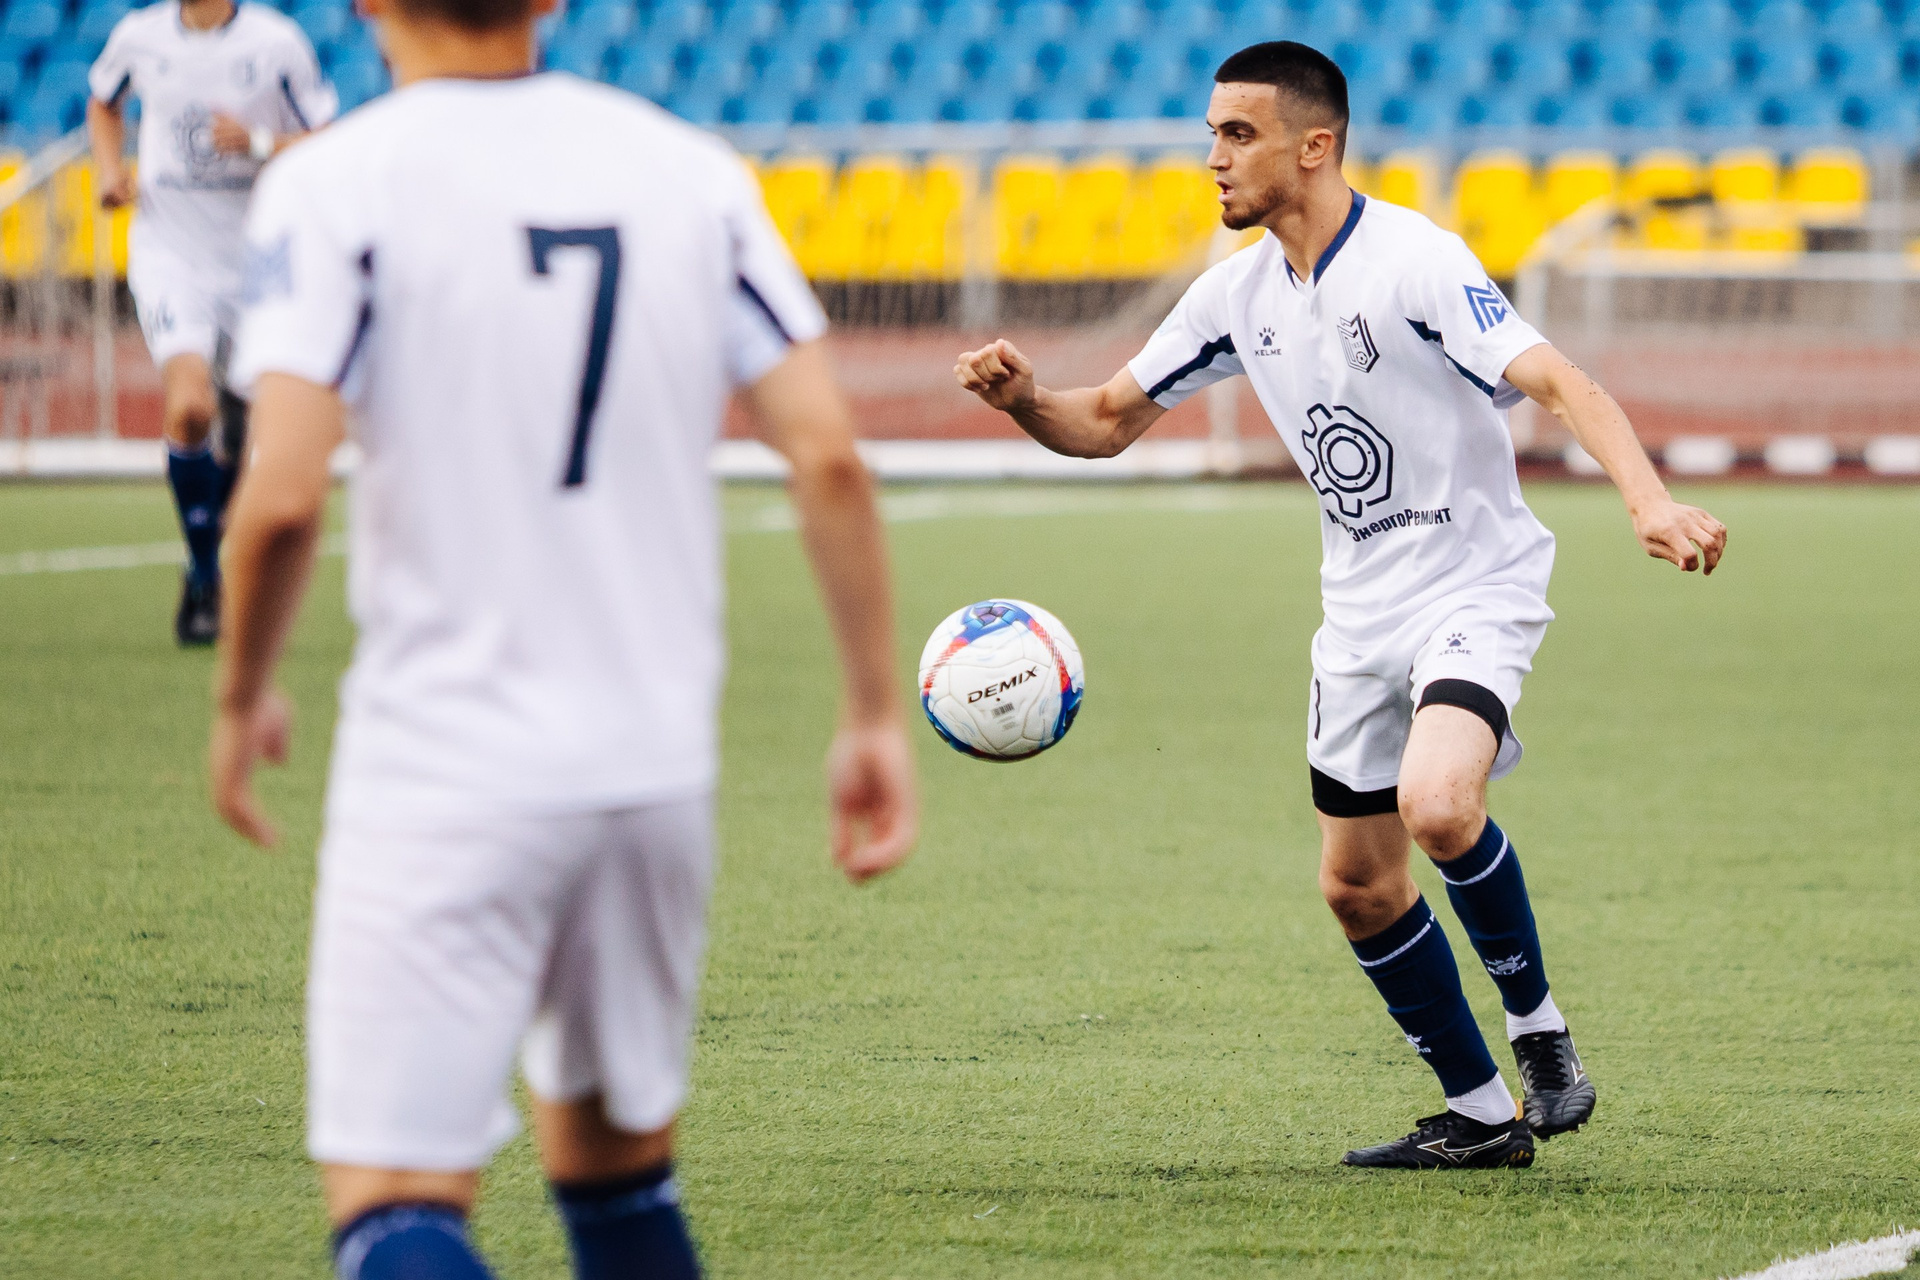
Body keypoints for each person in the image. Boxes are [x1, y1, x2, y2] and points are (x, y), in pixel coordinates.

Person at [206, 0, 919, 1269]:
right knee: (618, 1176)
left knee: (396, 1199)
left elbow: (280, 499)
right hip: (650, 771)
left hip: (446, 763)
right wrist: (871, 711)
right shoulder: (687, 171)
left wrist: (239, 692)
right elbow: (828, 457)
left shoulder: (332, 183)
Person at [956, 41, 1727, 1170]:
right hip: (1359, 617)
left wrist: (1649, 500)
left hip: (1473, 584)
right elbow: (1106, 420)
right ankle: (1480, 1115)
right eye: (1212, 135)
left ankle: (1539, 1031)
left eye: (1238, 135)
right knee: (1358, 886)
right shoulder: (1234, 295)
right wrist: (1026, 399)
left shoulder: (1417, 261)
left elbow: (1559, 379)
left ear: (1315, 145)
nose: (1214, 158)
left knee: (1439, 804)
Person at [86, 0, 336, 645]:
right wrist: (111, 170)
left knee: (248, 427)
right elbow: (103, 101)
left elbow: (327, 140)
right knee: (190, 406)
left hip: (258, 257)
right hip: (171, 252)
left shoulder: (276, 44)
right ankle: (203, 574)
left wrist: (256, 142)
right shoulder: (139, 37)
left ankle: (215, 544)